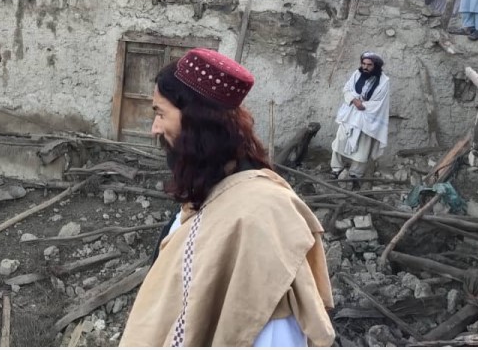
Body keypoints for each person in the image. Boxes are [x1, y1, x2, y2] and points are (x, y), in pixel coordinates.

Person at [120, 48, 335, 346]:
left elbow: (270, 331)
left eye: (160, 113)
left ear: (196, 122)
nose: (154, 129)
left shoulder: (259, 218)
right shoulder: (214, 192)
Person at [330, 52, 390, 187]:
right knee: (340, 141)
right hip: (350, 115)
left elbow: (380, 103)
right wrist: (354, 100)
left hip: (368, 119)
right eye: (363, 64)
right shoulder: (357, 74)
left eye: (369, 65)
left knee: (363, 148)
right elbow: (347, 89)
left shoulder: (384, 82)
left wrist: (363, 105)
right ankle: (336, 169)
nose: (365, 67)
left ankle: (355, 175)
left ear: (376, 66)